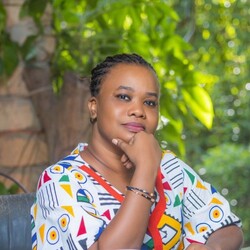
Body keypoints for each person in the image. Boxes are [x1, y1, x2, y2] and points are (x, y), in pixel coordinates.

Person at [31, 53, 244, 250]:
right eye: (124, 97)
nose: (139, 111)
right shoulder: (60, 181)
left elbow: (226, 226)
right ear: (94, 107)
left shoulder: (170, 168)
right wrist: (146, 168)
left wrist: (210, 248)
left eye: (149, 102)